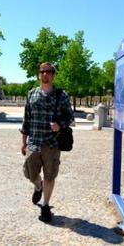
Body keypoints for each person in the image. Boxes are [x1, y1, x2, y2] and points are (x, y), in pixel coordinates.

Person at [20, 62, 74, 223]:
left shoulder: (61, 95)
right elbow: (26, 119)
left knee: (50, 175)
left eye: (49, 72)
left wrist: (60, 125)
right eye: (43, 71)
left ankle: (45, 205)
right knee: (29, 173)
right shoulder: (31, 94)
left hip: (52, 144)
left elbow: (70, 117)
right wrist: (23, 142)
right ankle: (38, 185)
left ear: (53, 75)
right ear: (39, 74)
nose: (45, 74)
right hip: (34, 142)